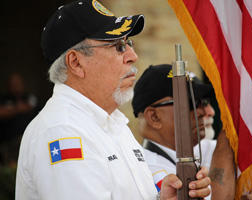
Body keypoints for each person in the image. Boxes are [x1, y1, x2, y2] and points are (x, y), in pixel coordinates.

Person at [15, 0, 211, 199]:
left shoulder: (110, 124)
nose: (132, 56)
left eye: (128, 43)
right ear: (76, 63)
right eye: (118, 46)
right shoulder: (63, 131)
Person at [132, 64, 216, 194]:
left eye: (202, 102)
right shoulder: (146, 171)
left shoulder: (199, 148)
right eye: (189, 103)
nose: (202, 111)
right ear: (154, 117)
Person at [0, 72, 40, 165]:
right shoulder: (4, 99)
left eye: (17, 84)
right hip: (10, 145)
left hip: (30, 144)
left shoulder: (30, 98)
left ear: (23, 84)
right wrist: (18, 109)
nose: (15, 87)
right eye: (13, 85)